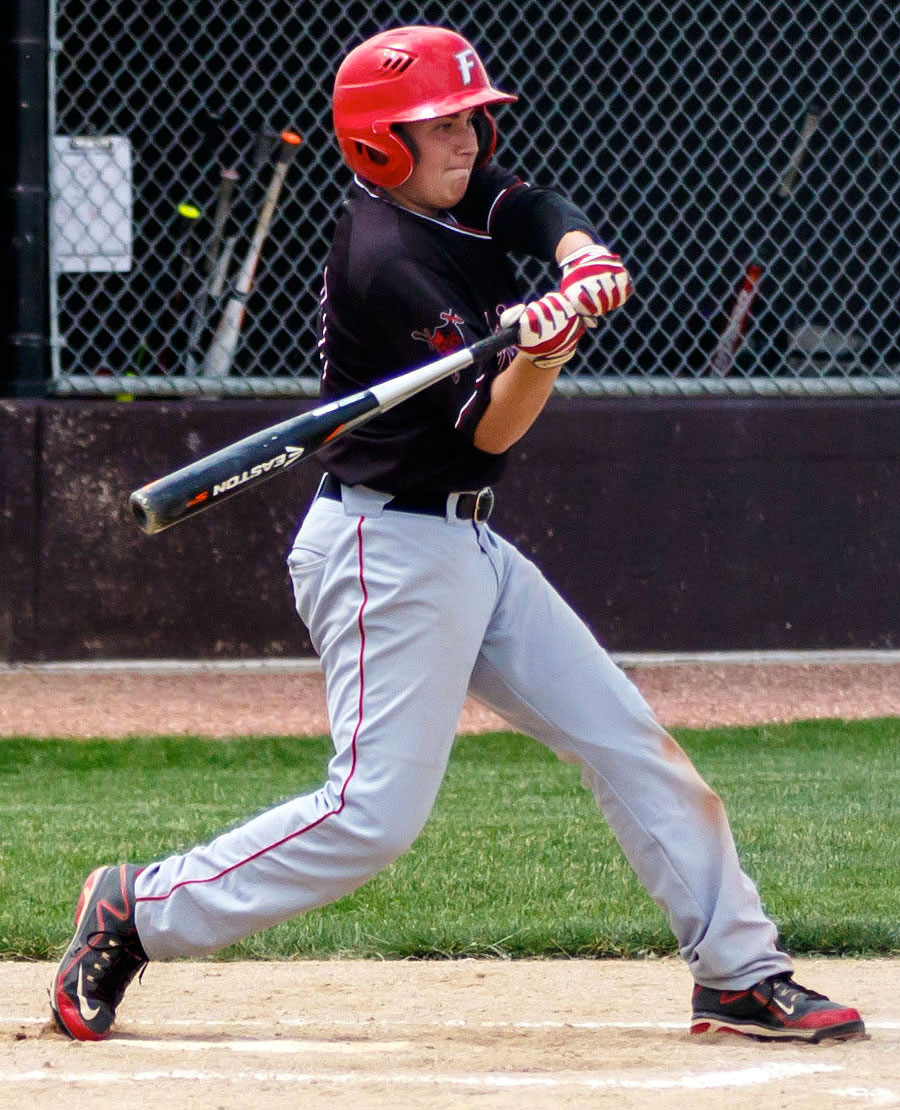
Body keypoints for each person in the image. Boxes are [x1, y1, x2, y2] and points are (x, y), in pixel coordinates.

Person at [50, 25, 864, 1045]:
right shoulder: (387, 258)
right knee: (369, 819)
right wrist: (545, 353)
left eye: (472, 117)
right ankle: (138, 909)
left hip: (467, 548)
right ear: (384, 146)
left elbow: (527, 205)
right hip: (383, 554)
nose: (469, 139)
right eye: (440, 125)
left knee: (632, 746)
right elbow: (487, 431)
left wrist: (578, 255)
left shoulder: (451, 188)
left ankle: (739, 973)